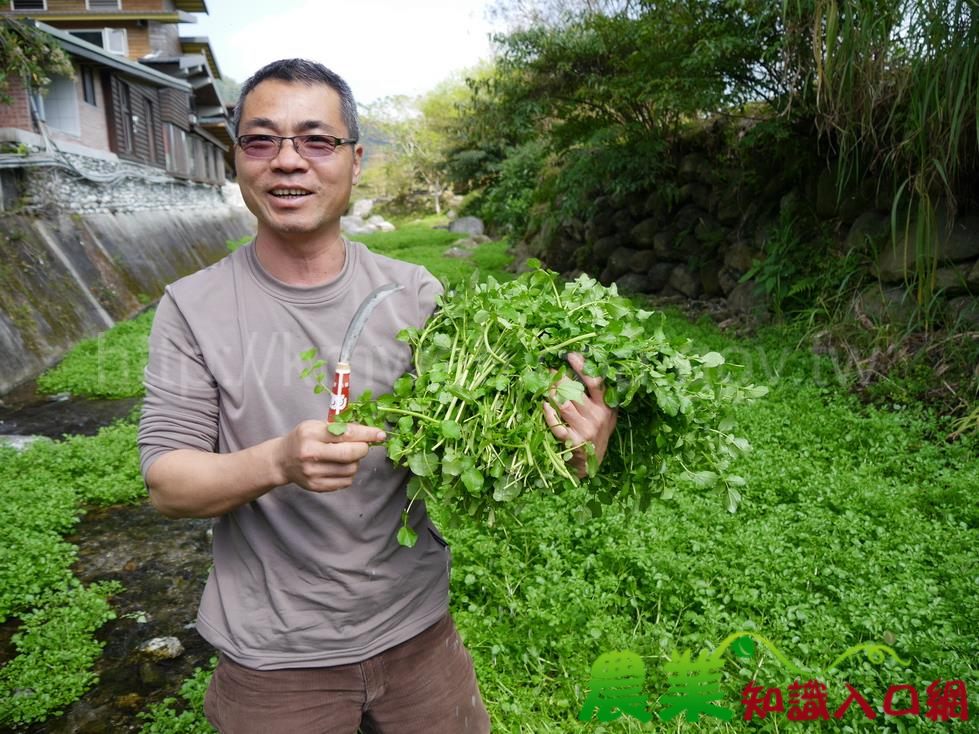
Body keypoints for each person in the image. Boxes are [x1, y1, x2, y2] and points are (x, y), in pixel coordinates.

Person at [137, 58, 616, 734]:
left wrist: (568, 446)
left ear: (356, 161)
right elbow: (166, 483)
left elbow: (489, 444)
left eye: (316, 140)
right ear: (236, 158)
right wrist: (276, 462)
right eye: (261, 140)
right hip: (274, 662)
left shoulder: (417, 294)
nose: (288, 162)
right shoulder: (192, 309)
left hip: (419, 637)